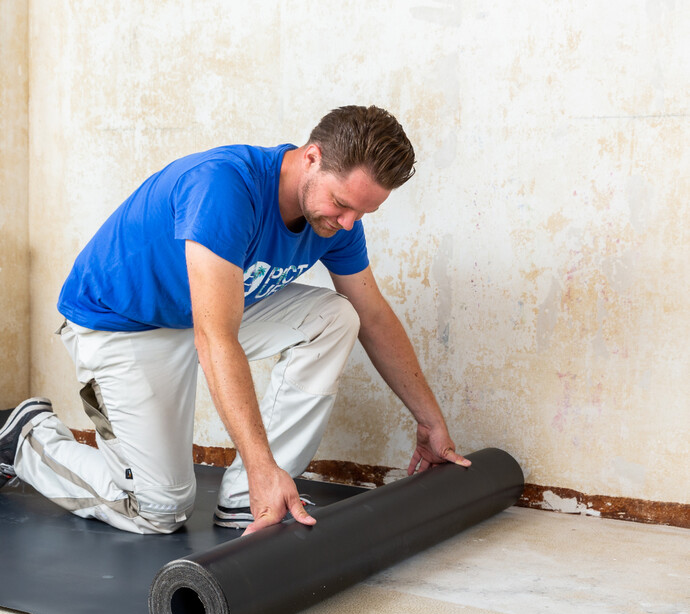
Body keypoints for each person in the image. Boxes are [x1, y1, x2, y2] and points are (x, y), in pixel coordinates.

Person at [0, 105, 470, 536]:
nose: (349, 222)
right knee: (158, 508)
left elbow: (374, 315)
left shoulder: (336, 220)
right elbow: (216, 337)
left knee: (337, 316)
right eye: (343, 203)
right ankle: (26, 438)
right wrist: (264, 462)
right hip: (123, 323)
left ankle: (248, 497)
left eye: (364, 212)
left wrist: (429, 422)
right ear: (312, 158)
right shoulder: (225, 188)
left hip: (202, 312)